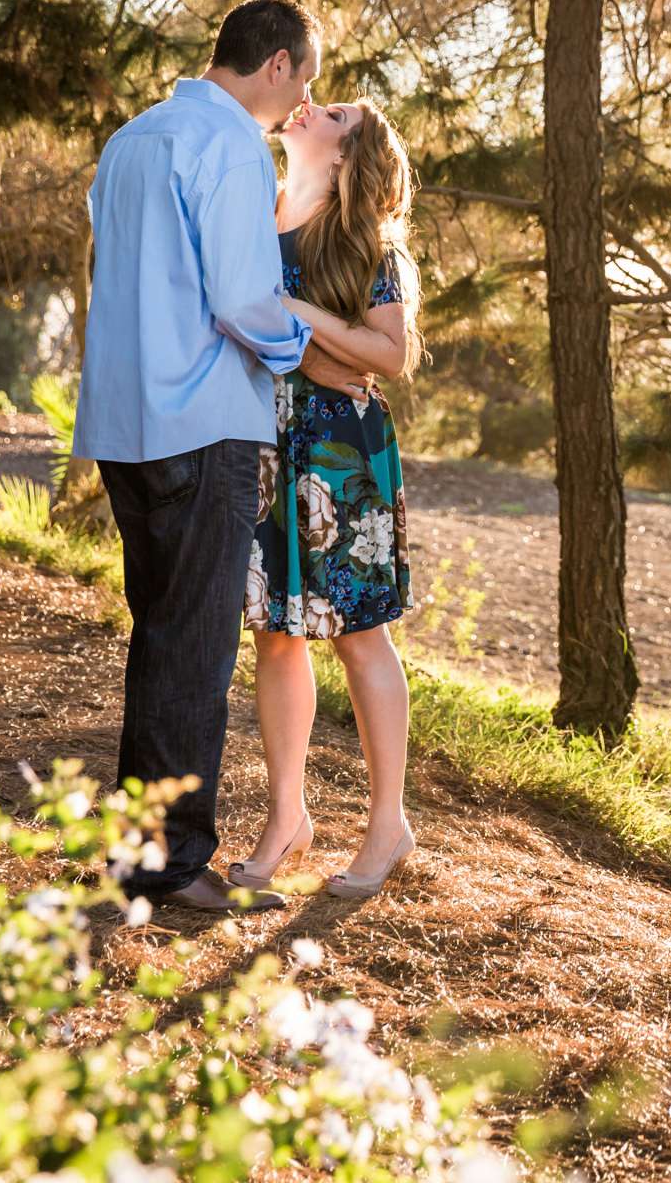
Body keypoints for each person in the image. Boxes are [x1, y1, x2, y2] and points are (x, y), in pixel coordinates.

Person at [72, 0, 366, 914]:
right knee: (192, 648)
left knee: (161, 635)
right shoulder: (234, 143)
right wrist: (314, 356)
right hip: (202, 422)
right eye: (305, 79)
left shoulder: (131, 140)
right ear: (275, 65)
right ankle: (173, 864)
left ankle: (139, 853)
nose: (302, 100)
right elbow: (244, 300)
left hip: (124, 424)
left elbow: (114, 274)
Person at [228, 97, 423, 901]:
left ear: (348, 153)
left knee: (359, 636)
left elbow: (392, 355)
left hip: (344, 455)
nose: (312, 104)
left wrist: (297, 315)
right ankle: (286, 818)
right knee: (276, 635)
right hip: (262, 441)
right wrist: (305, 352)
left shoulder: (363, 245)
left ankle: (388, 826)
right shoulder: (248, 207)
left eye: (335, 111)